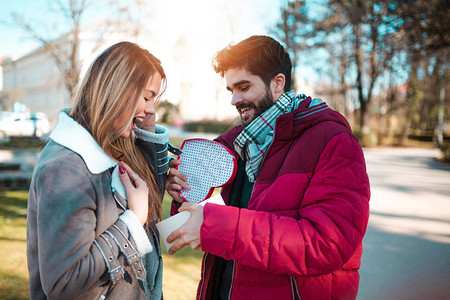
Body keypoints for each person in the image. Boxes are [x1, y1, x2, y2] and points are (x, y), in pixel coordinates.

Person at [165, 35, 370, 300]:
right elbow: (225, 211)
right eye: (231, 90)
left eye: (244, 86)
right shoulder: (235, 143)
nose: (234, 99)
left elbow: (326, 244)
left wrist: (216, 227)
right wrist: (184, 193)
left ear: (277, 83)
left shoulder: (333, 141)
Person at [27, 41, 173, 299]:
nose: (152, 110)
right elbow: (65, 284)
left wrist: (147, 132)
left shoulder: (110, 147)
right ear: (118, 89)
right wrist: (132, 222)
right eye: (147, 96)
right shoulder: (66, 169)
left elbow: (147, 210)